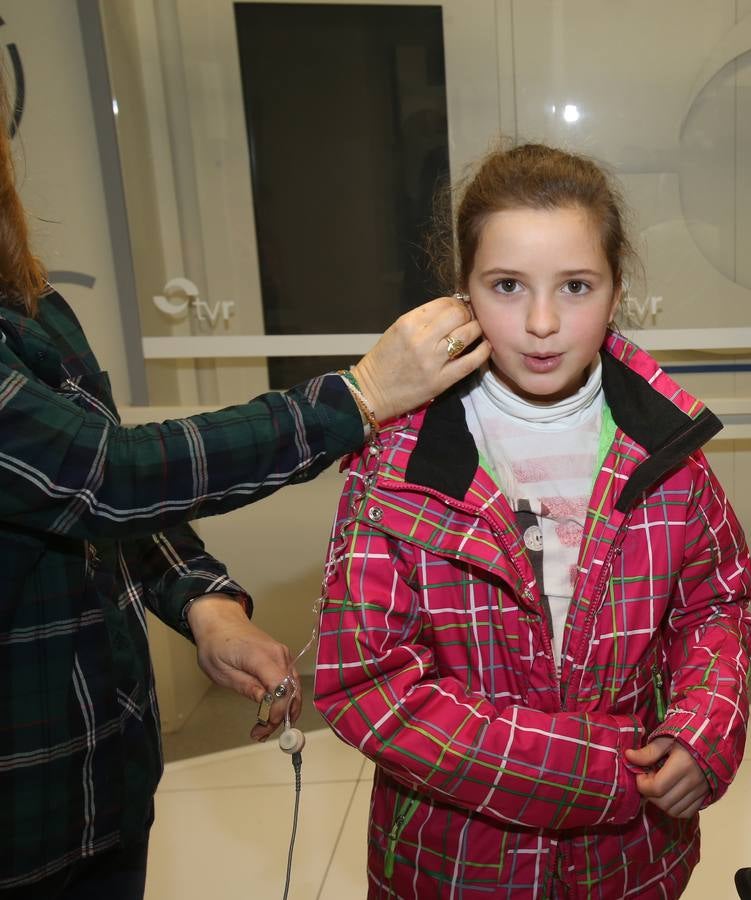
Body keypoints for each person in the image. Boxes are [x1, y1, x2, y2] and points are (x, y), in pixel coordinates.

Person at [0, 76, 490, 895]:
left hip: (102, 785)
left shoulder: (31, 309)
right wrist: (358, 397)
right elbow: (105, 476)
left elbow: (83, 498)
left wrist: (204, 605)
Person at [313, 142, 751, 897]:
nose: (544, 321)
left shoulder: (668, 450)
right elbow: (368, 682)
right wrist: (597, 770)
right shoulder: (399, 458)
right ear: (463, 292)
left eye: (576, 286)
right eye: (509, 285)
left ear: (617, 293)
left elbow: (717, 606)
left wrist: (703, 730)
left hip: (630, 861)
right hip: (454, 862)